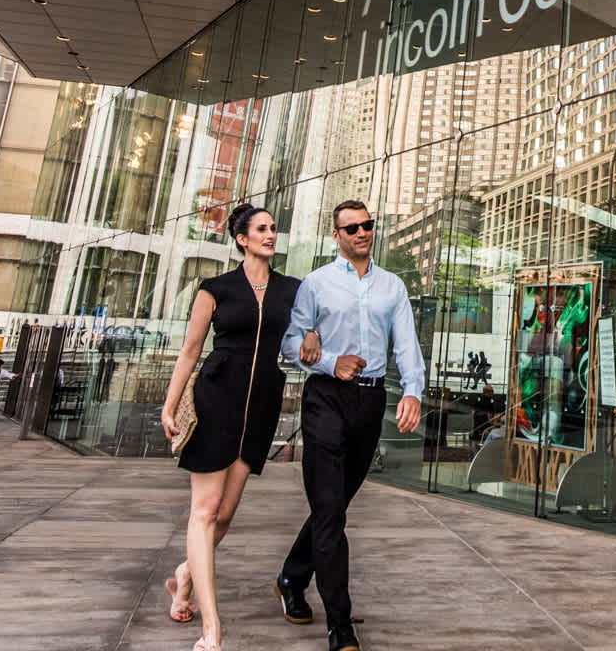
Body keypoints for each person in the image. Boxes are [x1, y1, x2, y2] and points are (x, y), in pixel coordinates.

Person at [273, 201, 425, 651]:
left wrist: (413, 391)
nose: (361, 232)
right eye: (352, 227)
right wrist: (329, 360)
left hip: (370, 401)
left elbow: (407, 344)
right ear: (336, 235)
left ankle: (291, 577)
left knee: (334, 506)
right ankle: (340, 625)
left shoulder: (392, 286)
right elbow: (291, 342)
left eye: (367, 225)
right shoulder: (316, 284)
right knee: (329, 510)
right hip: (325, 398)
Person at [158, 204, 306, 651]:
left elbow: (306, 332)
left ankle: (186, 574)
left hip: (261, 403)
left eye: (273, 228)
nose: (270, 234)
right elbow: (190, 351)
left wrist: (316, 338)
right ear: (242, 239)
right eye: (261, 229)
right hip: (216, 399)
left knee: (223, 516)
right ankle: (212, 629)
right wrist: (170, 405)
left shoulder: (291, 289)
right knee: (204, 512)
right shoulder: (215, 289)